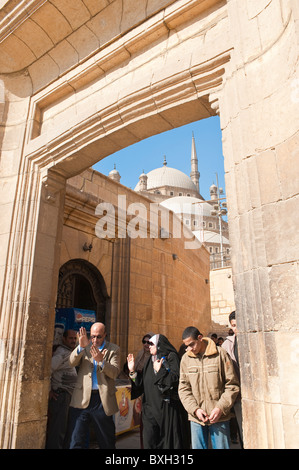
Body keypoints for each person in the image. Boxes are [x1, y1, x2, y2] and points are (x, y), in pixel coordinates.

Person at [178, 326, 240, 449]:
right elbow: (183, 389)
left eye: (192, 345)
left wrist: (220, 408)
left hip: (219, 418)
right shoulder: (186, 359)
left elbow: (232, 385)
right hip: (196, 418)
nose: (189, 349)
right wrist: (195, 409)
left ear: (200, 338)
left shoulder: (221, 354)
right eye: (187, 346)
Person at [127, 334, 188, 449]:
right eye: (147, 343)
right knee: (149, 440)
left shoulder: (172, 357)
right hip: (150, 410)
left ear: (159, 345)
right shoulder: (150, 360)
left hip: (167, 410)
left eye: (151, 344)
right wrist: (132, 371)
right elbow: (141, 384)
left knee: (167, 443)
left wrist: (160, 370)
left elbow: (175, 380)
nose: (148, 346)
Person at [68, 322, 120, 449]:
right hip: (82, 398)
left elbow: (114, 373)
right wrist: (80, 347)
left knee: (106, 441)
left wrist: (101, 361)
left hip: (102, 401)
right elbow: (71, 362)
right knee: (76, 439)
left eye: (99, 337)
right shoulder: (84, 346)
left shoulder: (114, 349)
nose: (95, 340)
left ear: (105, 335)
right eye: (93, 336)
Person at [46, 329, 78, 449]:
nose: (73, 341)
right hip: (61, 396)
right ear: (64, 339)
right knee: (58, 431)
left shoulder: (69, 352)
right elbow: (48, 370)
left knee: (65, 430)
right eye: (70, 338)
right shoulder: (61, 353)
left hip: (68, 396)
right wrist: (48, 390)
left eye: (75, 338)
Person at [222, 311, 243, 446]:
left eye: (238, 325)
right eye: (234, 325)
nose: (236, 329)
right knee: (242, 430)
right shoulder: (227, 345)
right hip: (238, 395)